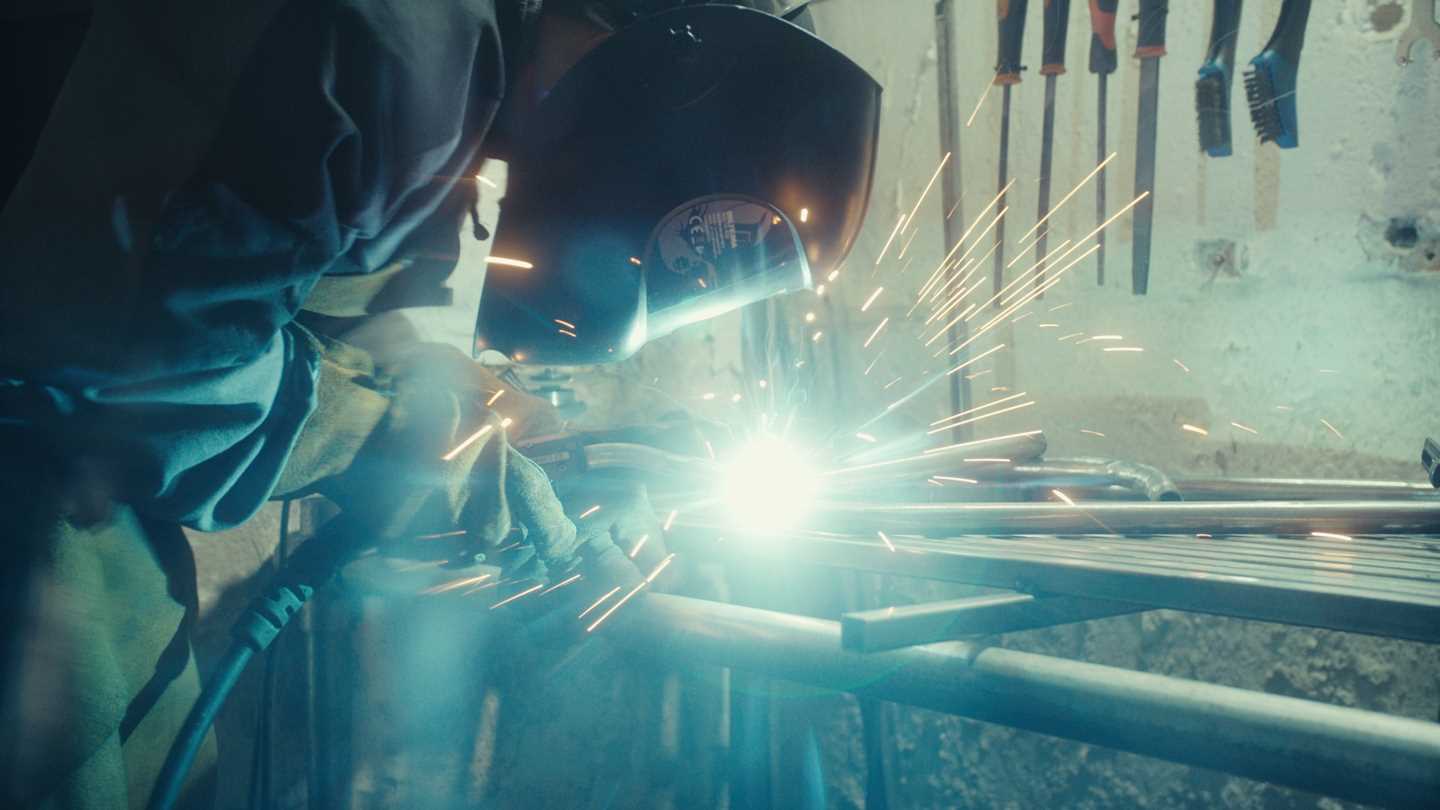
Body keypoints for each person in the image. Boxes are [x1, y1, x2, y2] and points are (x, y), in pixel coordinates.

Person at [0, 1, 879, 807]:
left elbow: (282, 282)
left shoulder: (460, 67)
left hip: (59, 405)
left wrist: (480, 413)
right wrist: (382, 438)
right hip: (36, 407)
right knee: (79, 693)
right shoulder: (401, 47)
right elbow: (114, 352)